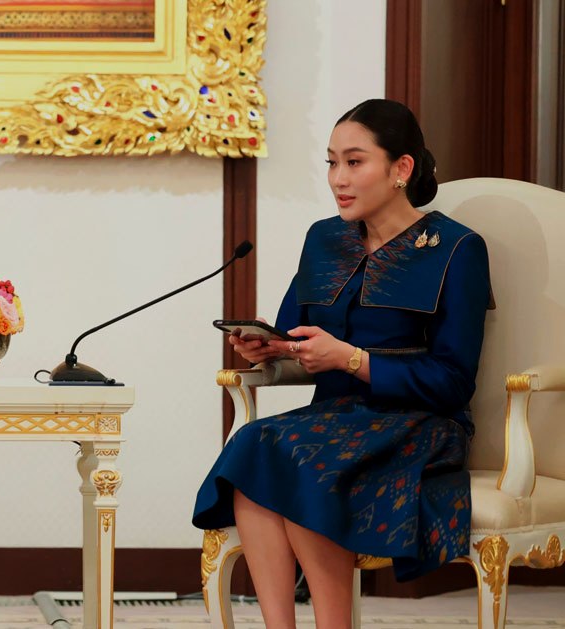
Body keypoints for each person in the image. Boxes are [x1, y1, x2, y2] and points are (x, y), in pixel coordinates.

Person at [193, 98, 493, 629]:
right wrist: (273, 349)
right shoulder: (324, 238)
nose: (338, 178)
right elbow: (296, 337)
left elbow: (452, 381)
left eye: (355, 162)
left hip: (419, 422)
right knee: (254, 446)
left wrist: (351, 359)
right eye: (332, 162)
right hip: (334, 417)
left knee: (306, 461)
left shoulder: (457, 248)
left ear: (401, 168)